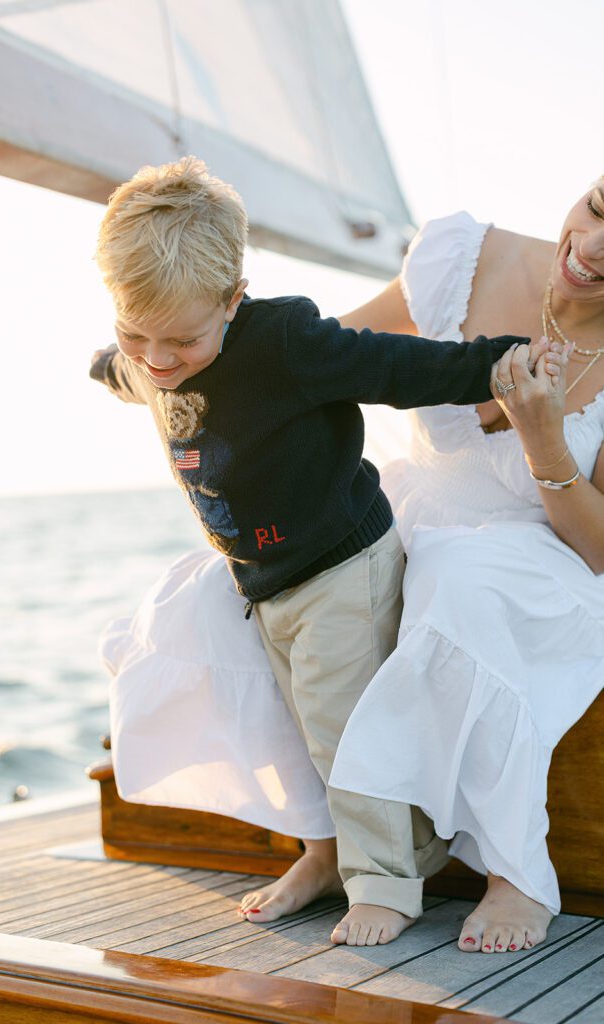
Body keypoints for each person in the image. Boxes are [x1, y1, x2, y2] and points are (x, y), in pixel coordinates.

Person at [98, 174, 603, 954]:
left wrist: (541, 436)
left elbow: (597, 548)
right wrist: (139, 363)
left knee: (455, 592)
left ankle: (504, 872)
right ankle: (325, 847)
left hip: (536, 547)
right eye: (597, 211)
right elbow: (337, 358)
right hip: (391, 510)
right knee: (208, 600)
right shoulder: (464, 256)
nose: (593, 247)